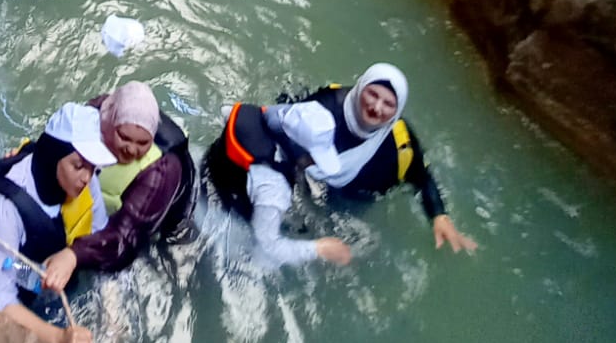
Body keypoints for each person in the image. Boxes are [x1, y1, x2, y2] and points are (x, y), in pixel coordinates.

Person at [0, 102, 116, 343]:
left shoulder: (86, 179)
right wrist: (58, 341)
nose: (86, 177)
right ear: (55, 156)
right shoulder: (6, 205)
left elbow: (101, 234)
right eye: (78, 165)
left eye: (92, 167)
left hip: (57, 260)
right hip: (16, 269)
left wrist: (113, 309)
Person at [282, 64, 478, 254]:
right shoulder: (326, 106)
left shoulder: (400, 143)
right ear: (360, 89)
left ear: (397, 110)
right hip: (304, 181)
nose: (376, 107)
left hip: (354, 198)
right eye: (373, 94)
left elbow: (423, 178)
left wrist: (438, 215)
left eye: (389, 104)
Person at [42, 80, 196, 291]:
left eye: (143, 143)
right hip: (102, 211)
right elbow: (55, 149)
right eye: (124, 137)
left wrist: (74, 255)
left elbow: (125, 240)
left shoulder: (161, 171)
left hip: (153, 227)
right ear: (109, 123)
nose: (131, 150)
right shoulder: (95, 116)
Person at [205, 99, 353, 268]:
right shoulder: (274, 188)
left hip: (206, 167)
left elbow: (225, 112)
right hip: (217, 214)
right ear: (298, 150)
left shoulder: (259, 118)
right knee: (265, 264)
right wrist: (319, 249)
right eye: (313, 156)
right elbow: (267, 247)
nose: (315, 163)